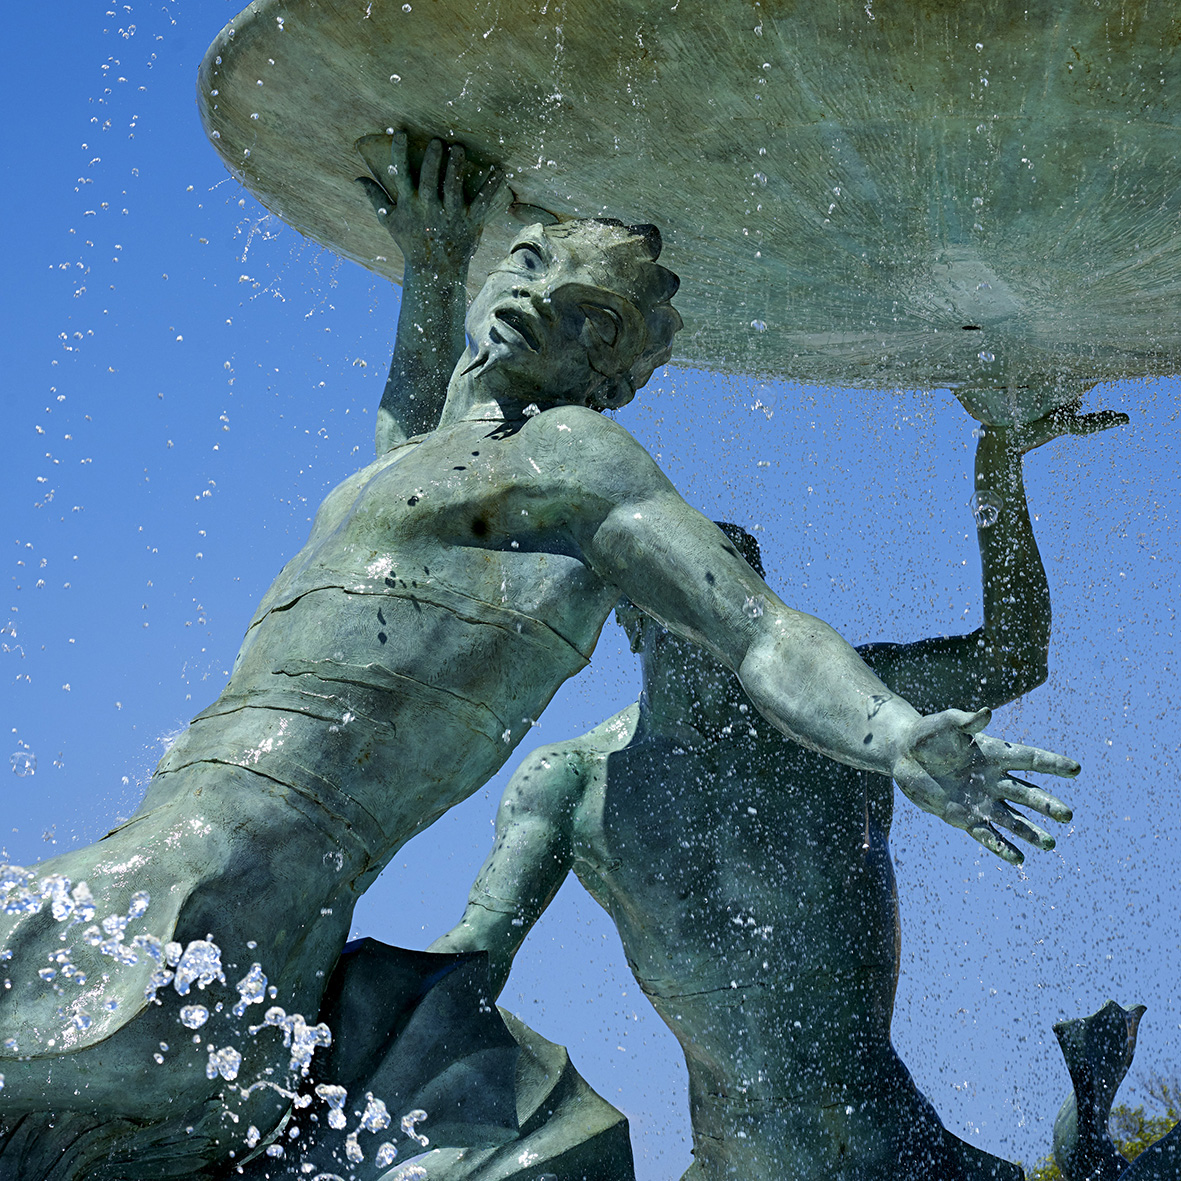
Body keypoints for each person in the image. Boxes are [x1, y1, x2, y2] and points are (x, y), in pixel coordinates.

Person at [0, 134, 1079, 1179]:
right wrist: (427, 264)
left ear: (608, 377)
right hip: (170, 884)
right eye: (526, 264)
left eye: (588, 313)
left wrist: (889, 731)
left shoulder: (575, 459)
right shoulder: (439, 478)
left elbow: (757, 627)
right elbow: (410, 438)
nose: (537, 297)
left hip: (203, 902)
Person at [428, 409, 1125, 1180]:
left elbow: (1013, 652)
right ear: (628, 615)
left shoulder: (852, 713)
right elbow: (466, 965)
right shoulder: (569, 782)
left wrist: (997, 470)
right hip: (732, 1161)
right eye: (690, 598)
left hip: (896, 1152)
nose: (716, 618)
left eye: (736, 593)